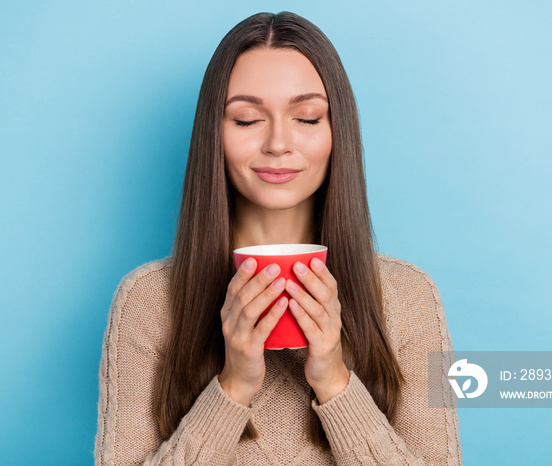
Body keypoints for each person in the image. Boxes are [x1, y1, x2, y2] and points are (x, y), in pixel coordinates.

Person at [95, 11, 461, 466]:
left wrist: (334, 381)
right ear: (215, 134)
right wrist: (233, 387)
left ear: (335, 132)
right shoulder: (147, 301)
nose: (278, 144)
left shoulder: (410, 298)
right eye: (247, 120)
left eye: (306, 117)